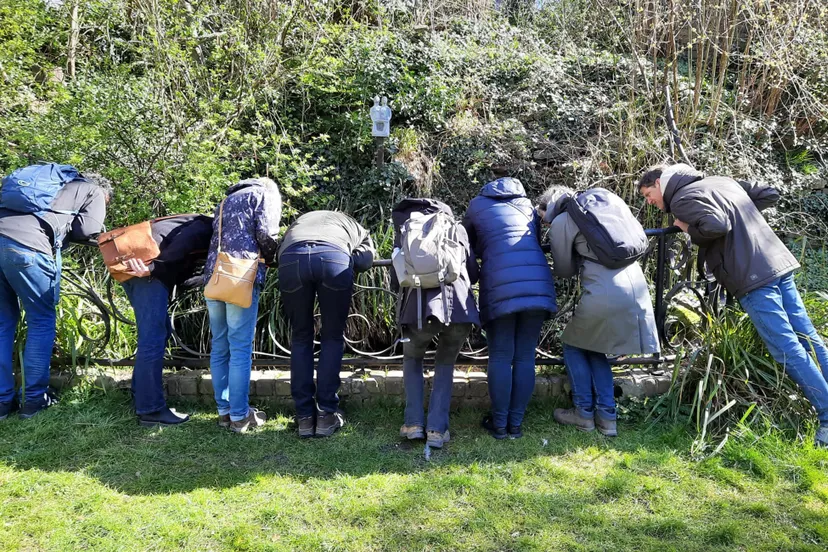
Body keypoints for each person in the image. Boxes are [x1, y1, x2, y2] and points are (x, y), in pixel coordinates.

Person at [639, 163, 828, 448]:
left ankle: (826, 416)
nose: (649, 202)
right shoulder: (720, 181)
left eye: (647, 194)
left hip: (751, 277)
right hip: (777, 262)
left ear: (659, 183)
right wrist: (743, 221)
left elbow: (716, 225)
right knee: (807, 336)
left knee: (786, 348)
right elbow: (768, 193)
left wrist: (688, 228)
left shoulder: (681, 200)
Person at [539, 186, 660, 436]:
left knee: (572, 344)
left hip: (604, 292)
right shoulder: (607, 205)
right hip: (636, 285)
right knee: (593, 349)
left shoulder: (563, 219)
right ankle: (607, 418)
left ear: (548, 207)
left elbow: (564, 270)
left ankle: (583, 413)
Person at [0, 168, 110, 420]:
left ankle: (3, 402)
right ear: (105, 194)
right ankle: (34, 400)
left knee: (3, 324)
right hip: (27, 248)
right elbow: (86, 231)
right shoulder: (92, 190)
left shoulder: (46, 185)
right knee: (41, 321)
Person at [462, 177, 557, 439]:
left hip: (500, 284)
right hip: (536, 282)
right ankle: (516, 425)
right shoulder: (527, 205)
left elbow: (467, 245)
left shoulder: (477, 206)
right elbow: (534, 241)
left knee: (501, 355)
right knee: (525, 356)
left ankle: (500, 424)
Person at [391, 198, 480, 448]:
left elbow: (397, 277)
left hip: (418, 308)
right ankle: (437, 430)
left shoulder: (406, 230)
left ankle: (413, 425)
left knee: (412, 359)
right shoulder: (456, 227)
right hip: (458, 307)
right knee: (445, 363)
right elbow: (471, 271)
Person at [278, 210, 375, 438]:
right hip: (333, 258)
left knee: (301, 337)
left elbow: (279, 250)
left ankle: (304, 417)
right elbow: (365, 261)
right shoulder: (354, 227)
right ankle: (326, 414)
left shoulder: (299, 222)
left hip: (292, 259)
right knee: (332, 337)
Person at [119, 214, 213, 427]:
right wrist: (153, 268)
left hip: (137, 269)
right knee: (153, 338)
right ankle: (151, 410)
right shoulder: (207, 226)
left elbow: (182, 268)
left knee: (158, 333)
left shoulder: (197, 225)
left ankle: (141, 393)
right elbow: (184, 243)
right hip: (146, 272)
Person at [205, 177, 281, 433]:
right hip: (240, 278)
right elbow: (266, 234)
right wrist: (273, 259)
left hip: (214, 278)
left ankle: (224, 411)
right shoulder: (262, 195)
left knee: (220, 346)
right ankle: (239, 415)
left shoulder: (225, 200)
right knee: (239, 349)